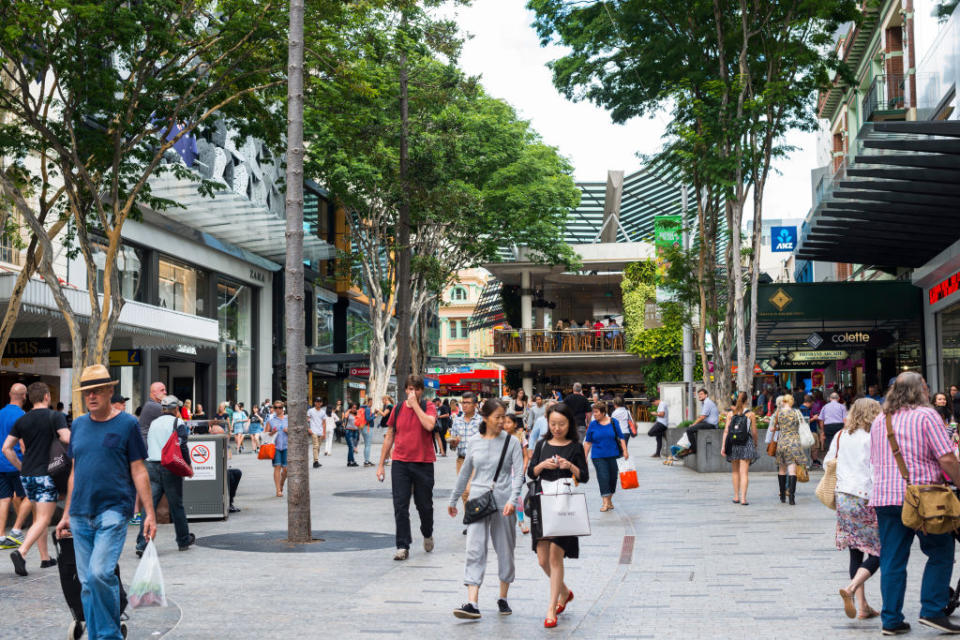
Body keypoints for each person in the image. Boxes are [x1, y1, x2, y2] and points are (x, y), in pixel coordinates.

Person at [55, 365, 156, 640]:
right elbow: (76, 471)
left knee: (100, 573)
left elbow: (138, 469)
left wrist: (149, 513)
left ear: (111, 390)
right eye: (88, 391)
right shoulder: (77, 424)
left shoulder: (127, 424)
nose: (92, 396)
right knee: (87, 582)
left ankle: (109, 635)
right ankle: (98, 634)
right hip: (79, 513)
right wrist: (65, 514)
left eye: (98, 390)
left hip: (113, 510)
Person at [868, 372, 960, 634]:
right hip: (923, 499)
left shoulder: (880, 420)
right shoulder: (926, 415)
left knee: (892, 559)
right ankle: (932, 610)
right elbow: (946, 458)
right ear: (919, 390)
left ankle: (891, 620)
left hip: (885, 498)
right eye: (926, 387)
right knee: (941, 552)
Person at [448, 399, 524, 620]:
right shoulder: (473, 441)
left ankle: (503, 597)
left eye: (504, 417)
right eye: (497, 417)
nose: (502, 421)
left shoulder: (512, 442)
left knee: (505, 550)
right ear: (485, 418)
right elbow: (465, 473)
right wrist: (453, 499)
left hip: (504, 504)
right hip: (478, 501)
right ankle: (472, 602)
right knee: (474, 549)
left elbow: (518, 474)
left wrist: (513, 499)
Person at [527, 403, 589, 628]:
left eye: (561, 424)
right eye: (553, 424)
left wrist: (569, 465)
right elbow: (530, 472)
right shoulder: (542, 444)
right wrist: (542, 464)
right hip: (542, 505)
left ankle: (551, 608)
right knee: (542, 559)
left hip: (564, 506)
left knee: (555, 557)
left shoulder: (575, 446)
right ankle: (564, 591)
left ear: (569, 424)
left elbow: (584, 476)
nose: (556, 428)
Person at [2, 382, 71, 575]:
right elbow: (66, 438)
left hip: (27, 475)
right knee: (44, 518)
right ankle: (21, 552)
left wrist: (20, 466)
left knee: (37, 517)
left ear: (29, 398)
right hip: (46, 474)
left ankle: (45, 558)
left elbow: (6, 448)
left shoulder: (22, 420)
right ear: (47, 396)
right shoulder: (54, 416)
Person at [824, 397, 882, 621]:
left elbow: (830, 461)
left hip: (843, 497)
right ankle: (851, 588)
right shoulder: (872, 437)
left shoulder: (840, 435)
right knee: (880, 551)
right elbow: (876, 470)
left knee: (855, 550)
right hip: (866, 497)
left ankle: (862, 606)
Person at [375, 375, 438, 561]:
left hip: (423, 463)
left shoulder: (428, 407)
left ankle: (427, 532)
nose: (413, 392)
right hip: (400, 462)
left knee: (424, 506)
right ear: (405, 389)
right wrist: (381, 465)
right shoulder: (398, 408)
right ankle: (402, 545)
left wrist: (416, 406)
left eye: (416, 389)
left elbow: (429, 425)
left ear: (421, 391)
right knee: (400, 505)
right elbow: (389, 435)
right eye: (410, 389)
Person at [135, 395, 195, 557]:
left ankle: (142, 543)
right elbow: (182, 445)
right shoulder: (178, 423)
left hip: (152, 466)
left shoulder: (153, 423)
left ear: (163, 409)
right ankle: (183, 540)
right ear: (176, 409)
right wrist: (188, 465)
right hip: (170, 467)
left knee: (149, 506)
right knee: (176, 505)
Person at [584, 401, 628, 512]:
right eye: (593, 412)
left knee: (613, 478)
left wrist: (625, 450)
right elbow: (588, 442)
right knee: (603, 477)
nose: (594, 414)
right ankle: (605, 502)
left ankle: (609, 500)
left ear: (603, 413)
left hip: (614, 455)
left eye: (596, 412)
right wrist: (584, 457)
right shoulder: (593, 425)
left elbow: (621, 437)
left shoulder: (614, 422)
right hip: (598, 456)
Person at [0, 384, 29, 550]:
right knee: (26, 496)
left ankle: (1, 535)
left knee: (4, 499)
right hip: (16, 462)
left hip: (1, 462)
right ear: (24, 396)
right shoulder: (22, 415)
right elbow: (22, 442)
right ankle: (17, 531)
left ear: (10, 394)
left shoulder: (0, 413)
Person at [720, 392, 759, 505]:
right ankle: (743, 499)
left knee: (735, 472)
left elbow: (726, 431)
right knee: (744, 473)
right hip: (746, 443)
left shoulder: (730, 414)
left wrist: (723, 446)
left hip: (733, 444)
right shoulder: (750, 414)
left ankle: (736, 496)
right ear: (747, 401)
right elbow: (754, 432)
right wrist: (755, 443)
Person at [449, 392, 484, 513]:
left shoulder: (481, 421)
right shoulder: (457, 421)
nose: (464, 405)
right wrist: (453, 443)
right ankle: (469, 520)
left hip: (477, 460)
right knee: (464, 491)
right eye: (463, 402)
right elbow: (452, 446)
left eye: (467, 403)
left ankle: (475, 518)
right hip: (461, 459)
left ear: (475, 405)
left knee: (471, 490)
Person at [771, 394, 806, 505]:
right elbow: (803, 425)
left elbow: (773, 427)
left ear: (784, 401)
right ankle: (791, 497)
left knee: (781, 469)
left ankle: (782, 496)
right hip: (794, 443)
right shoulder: (796, 413)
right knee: (792, 471)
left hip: (782, 442)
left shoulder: (778, 413)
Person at [683, 389, 720, 455]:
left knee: (689, 430)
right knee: (691, 428)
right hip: (707, 423)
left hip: (711, 425)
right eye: (699, 394)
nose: (699, 396)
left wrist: (693, 424)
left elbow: (702, 417)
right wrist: (694, 424)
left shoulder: (707, 403)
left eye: (701, 394)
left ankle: (693, 449)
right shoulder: (704, 403)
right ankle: (687, 447)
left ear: (706, 395)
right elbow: (701, 417)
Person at [266, 401, 289, 497]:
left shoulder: (288, 419)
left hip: (287, 446)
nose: (278, 409)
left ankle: (281, 483)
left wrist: (288, 431)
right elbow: (265, 435)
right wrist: (272, 433)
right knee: (277, 467)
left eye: (280, 407)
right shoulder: (270, 421)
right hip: (275, 447)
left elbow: (296, 433)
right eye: (276, 407)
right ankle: (278, 490)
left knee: (286, 469)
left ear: (283, 408)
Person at [308, 398, 326, 468]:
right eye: (317, 402)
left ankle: (315, 461)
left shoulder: (323, 412)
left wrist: (324, 433)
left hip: (320, 431)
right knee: (315, 446)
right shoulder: (310, 411)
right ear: (315, 403)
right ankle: (316, 461)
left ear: (321, 403)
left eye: (320, 402)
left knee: (318, 447)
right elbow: (307, 419)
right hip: (313, 430)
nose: (318, 403)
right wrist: (308, 428)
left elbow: (324, 423)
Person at [344, 403, 360, 467]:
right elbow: (345, 416)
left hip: (355, 431)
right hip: (348, 431)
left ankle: (349, 461)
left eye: (355, 408)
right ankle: (352, 461)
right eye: (353, 407)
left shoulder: (357, 414)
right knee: (351, 446)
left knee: (352, 447)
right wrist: (349, 410)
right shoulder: (348, 413)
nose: (354, 409)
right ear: (350, 408)